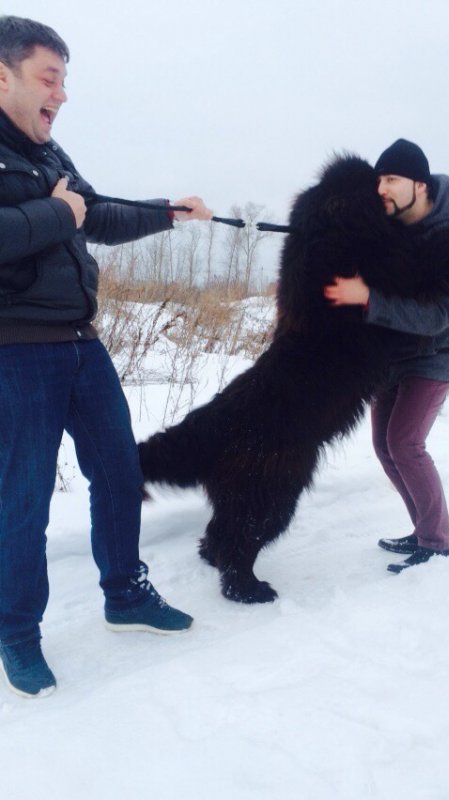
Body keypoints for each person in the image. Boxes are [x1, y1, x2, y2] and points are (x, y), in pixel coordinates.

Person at [0, 16, 213, 699]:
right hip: (15, 354)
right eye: (49, 78)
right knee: (23, 502)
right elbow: (55, 220)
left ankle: (125, 593)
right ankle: (16, 634)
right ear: (3, 76)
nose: (60, 95)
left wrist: (167, 212)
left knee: (120, 473)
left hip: (80, 345)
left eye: (64, 81)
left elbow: (101, 214)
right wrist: (59, 215)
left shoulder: (50, 156)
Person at [324, 138, 449, 574]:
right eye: (378, 179)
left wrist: (367, 298)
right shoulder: (390, 230)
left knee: (405, 443)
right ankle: (423, 529)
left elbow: (437, 316)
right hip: (395, 355)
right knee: (384, 446)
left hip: (437, 355)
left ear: (420, 185)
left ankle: (437, 544)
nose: (381, 188)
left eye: (391, 179)